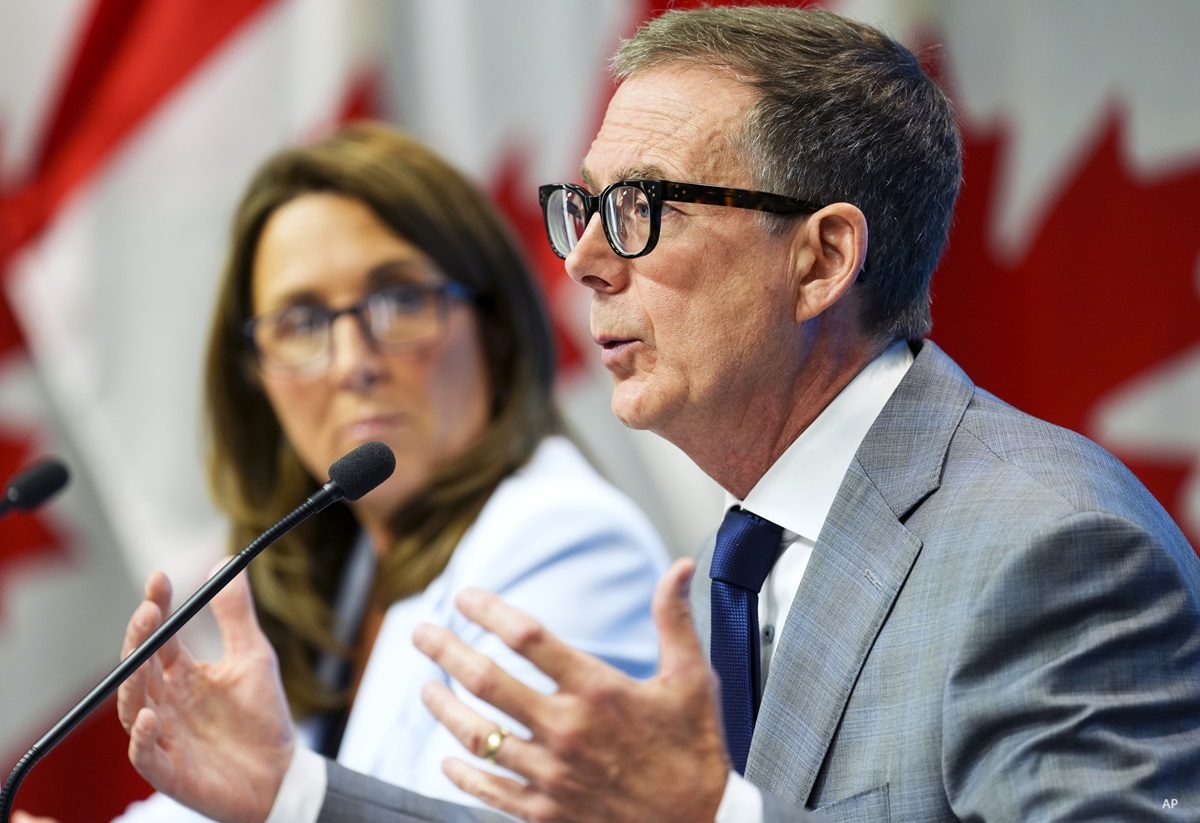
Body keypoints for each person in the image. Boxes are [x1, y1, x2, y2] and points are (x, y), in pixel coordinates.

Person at [103, 6, 1200, 823]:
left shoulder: (1048, 547)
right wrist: (289, 795)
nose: (583, 260)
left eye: (640, 207)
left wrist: (711, 818)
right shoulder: (763, 540)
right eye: (584, 205)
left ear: (821, 258)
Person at [12, 122, 670, 823]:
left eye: (402, 300)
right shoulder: (354, 572)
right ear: (256, 377)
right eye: (301, 321)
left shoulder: (565, 540)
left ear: (495, 327)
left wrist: (288, 797)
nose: (353, 361)